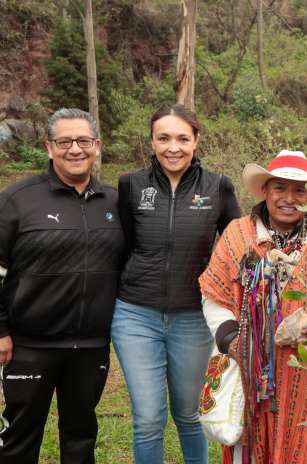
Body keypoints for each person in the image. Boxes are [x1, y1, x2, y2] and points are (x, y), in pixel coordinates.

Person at [111, 103, 241, 464]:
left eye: (183, 138)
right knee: (149, 418)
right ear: (152, 141)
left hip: (193, 318)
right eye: (164, 138)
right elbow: (119, 247)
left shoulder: (218, 186)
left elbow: (238, 243)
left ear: (196, 140)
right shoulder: (131, 184)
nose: (173, 147)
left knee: (189, 414)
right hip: (135, 316)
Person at [0, 108, 125, 463]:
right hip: (30, 344)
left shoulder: (115, 202)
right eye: (64, 141)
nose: (75, 149)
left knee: (81, 436)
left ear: (97, 146)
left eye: (83, 141)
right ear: (49, 147)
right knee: (19, 437)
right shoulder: (16, 200)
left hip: (91, 347)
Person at [198, 150, 307, 464]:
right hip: (249, 371)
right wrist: (233, 341)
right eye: (280, 188)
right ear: (265, 190)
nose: (289, 198)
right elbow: (214, 294)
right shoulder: (237, 235)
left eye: (299, 190)